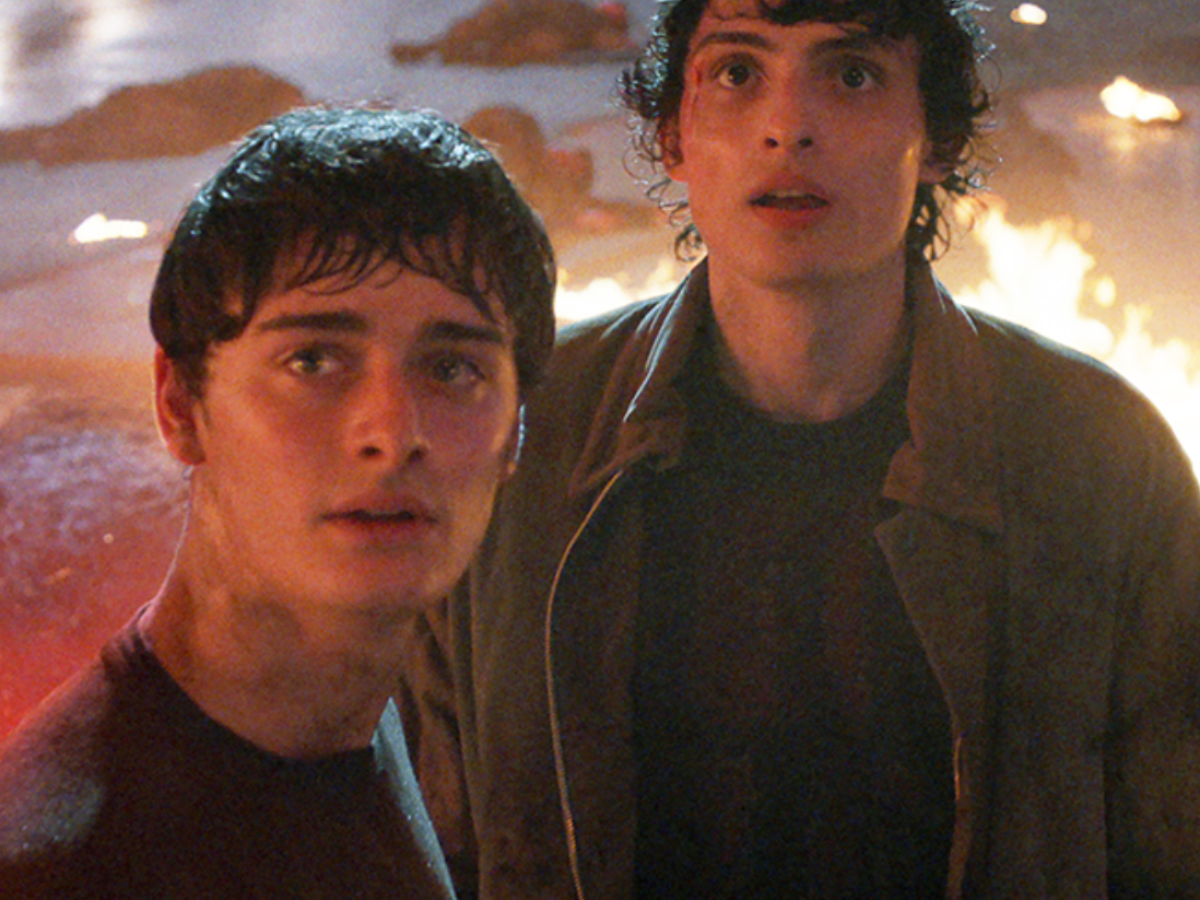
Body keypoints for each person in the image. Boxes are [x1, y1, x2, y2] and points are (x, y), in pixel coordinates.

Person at [397, 1, 1200, 898]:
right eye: (738, 73)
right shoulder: (523, 436)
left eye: (852, 75)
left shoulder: (1098, 454)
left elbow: (1170, 848)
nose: (788, 127)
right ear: (673, 135)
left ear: (935, 136)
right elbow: (426, 839)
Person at [0, 106, 556, 899]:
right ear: (180, 405)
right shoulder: (63, 866)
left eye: (452, 369)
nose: (392, 433)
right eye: (314, 361)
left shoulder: (364, 723)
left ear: (515, 432)